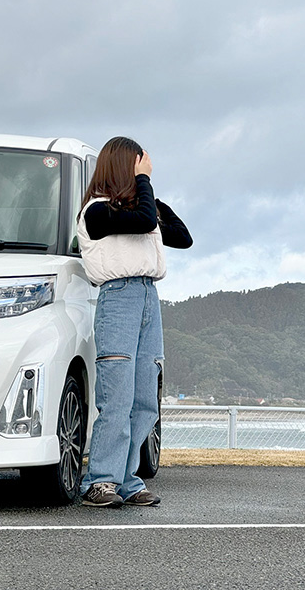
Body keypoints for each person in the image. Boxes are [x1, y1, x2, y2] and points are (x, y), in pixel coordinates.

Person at [77, 136, 192, 507]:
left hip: (148, 298)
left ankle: (127, 479)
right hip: (119, 299)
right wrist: (143, 185)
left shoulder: (140, 211)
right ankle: (101, 481)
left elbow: (183, 237)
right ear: (124, 166)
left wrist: (149, 196)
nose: (145, 169)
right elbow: (143, 221)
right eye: (138, 165)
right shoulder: (96, 211)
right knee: (117, 398)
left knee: (145, 400)